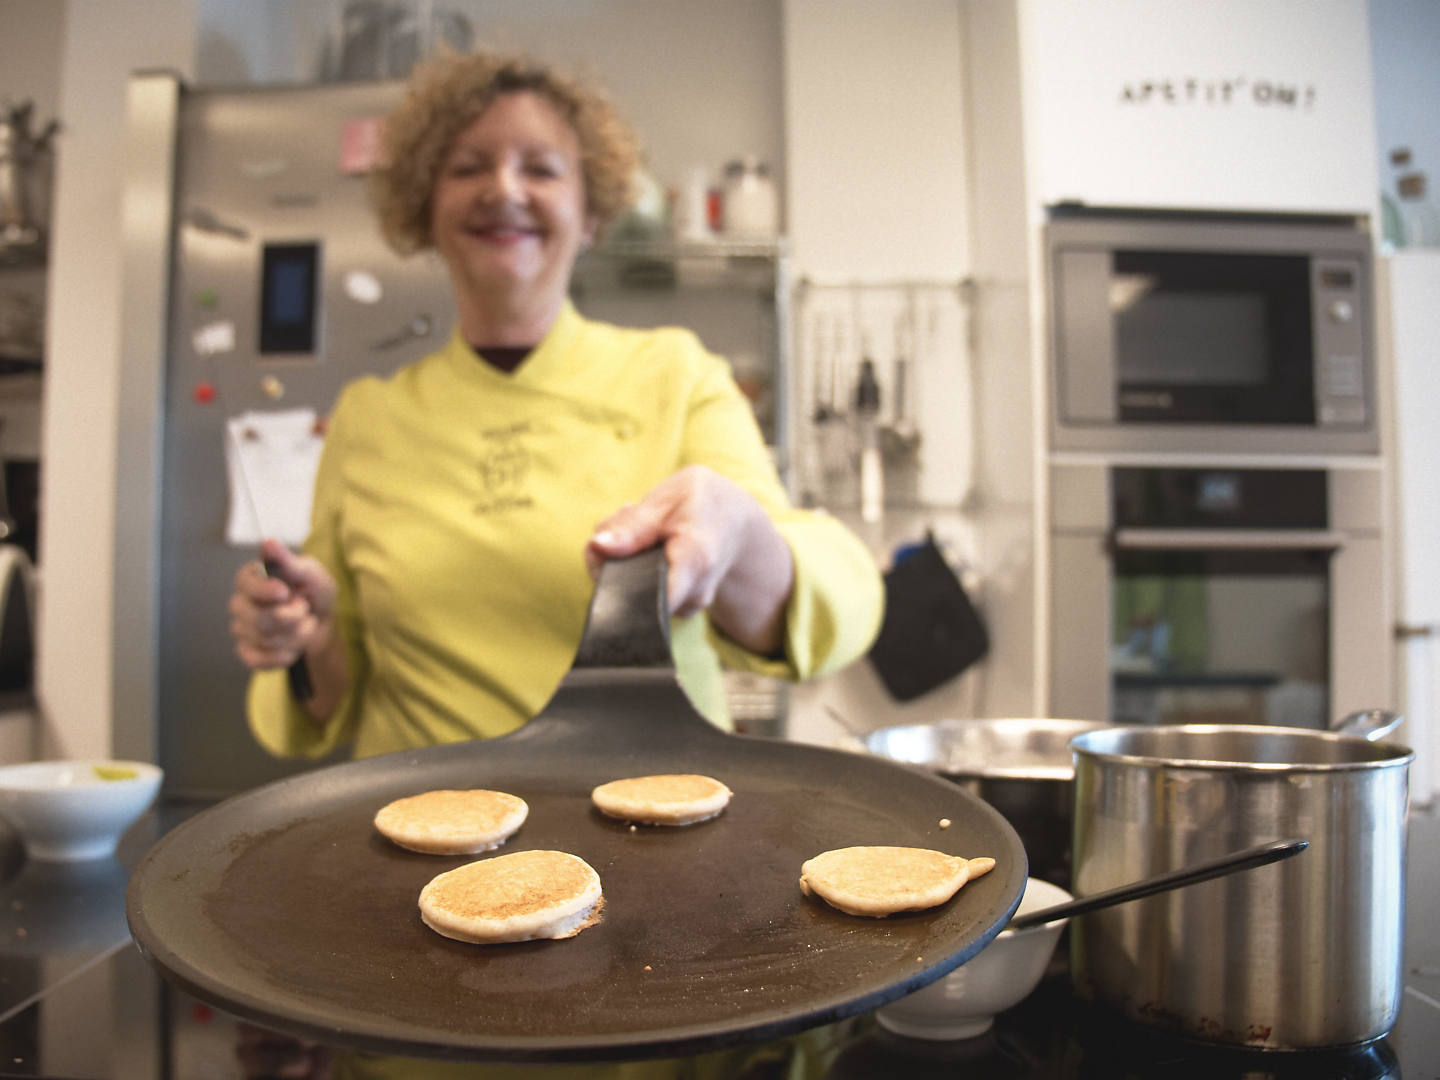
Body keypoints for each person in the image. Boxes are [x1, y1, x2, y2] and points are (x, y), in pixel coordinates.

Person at [227, 47, 883, 1080]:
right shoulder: (370, 418)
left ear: (590, 208)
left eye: (543, 167)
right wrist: (301, 635)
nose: (504, 188)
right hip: (413, 913)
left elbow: (832, 586)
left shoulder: (671, 374)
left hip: (665, 905)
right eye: (468, 165)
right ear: (422, 206)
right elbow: (341, 681)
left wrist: (740, 536)